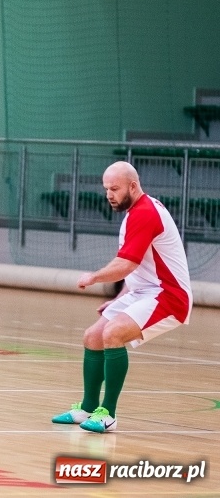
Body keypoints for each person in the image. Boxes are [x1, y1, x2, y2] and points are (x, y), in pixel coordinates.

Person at [52, 161, 192, 433]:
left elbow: (127, 264)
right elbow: (140, 268)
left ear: (133, 185)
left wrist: (94, 277)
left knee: (113, 334)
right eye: (106, 189)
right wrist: (120, 299)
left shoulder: (145, 213)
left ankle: (109, 414)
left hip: (169, 296)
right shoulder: (135, 211)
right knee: (93, 336)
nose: (109, 195)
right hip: (145, 291)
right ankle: (88, 408)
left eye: (114, 188)